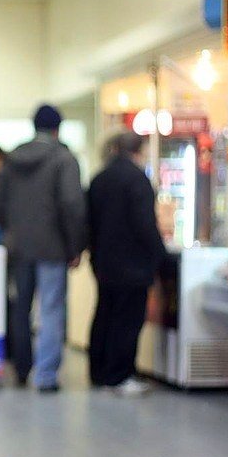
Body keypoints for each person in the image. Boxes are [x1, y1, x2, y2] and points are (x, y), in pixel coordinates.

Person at [0, 104, 87, 392]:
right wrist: (75, 246)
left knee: (20, 308)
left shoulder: (12, 159)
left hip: (19, 247)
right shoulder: (64, 159)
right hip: (53, 248)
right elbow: (72, 204)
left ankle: (21, 370)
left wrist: (12, 231)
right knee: (51, 309)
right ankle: (45, 376)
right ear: (58, 129)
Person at [88, 132, 166, 396]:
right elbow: (145, 224)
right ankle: (119, 375)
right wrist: (159, 255)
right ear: (138, 151)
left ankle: (99, 372)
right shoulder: (137, 179)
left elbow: (90, 222)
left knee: (104, 315)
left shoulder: (100, 178)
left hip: (104, 261)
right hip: (133, 263)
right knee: (127, 320)